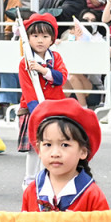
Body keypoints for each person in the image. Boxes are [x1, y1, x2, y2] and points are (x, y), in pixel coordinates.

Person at [16, 13, 68, 187]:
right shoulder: (24, 63)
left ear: (52, 39)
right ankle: (29, 179)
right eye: (35, 36)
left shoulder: (56, 58)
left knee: (52, 147)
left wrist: (43, 70)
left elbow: (61, 78)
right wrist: (38, 111)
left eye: (45, 36)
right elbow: (28, 91)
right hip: (33, 111)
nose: (40, 40)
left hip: (55, 109)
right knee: (34, 148)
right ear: (28, 38)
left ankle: (46, 179)